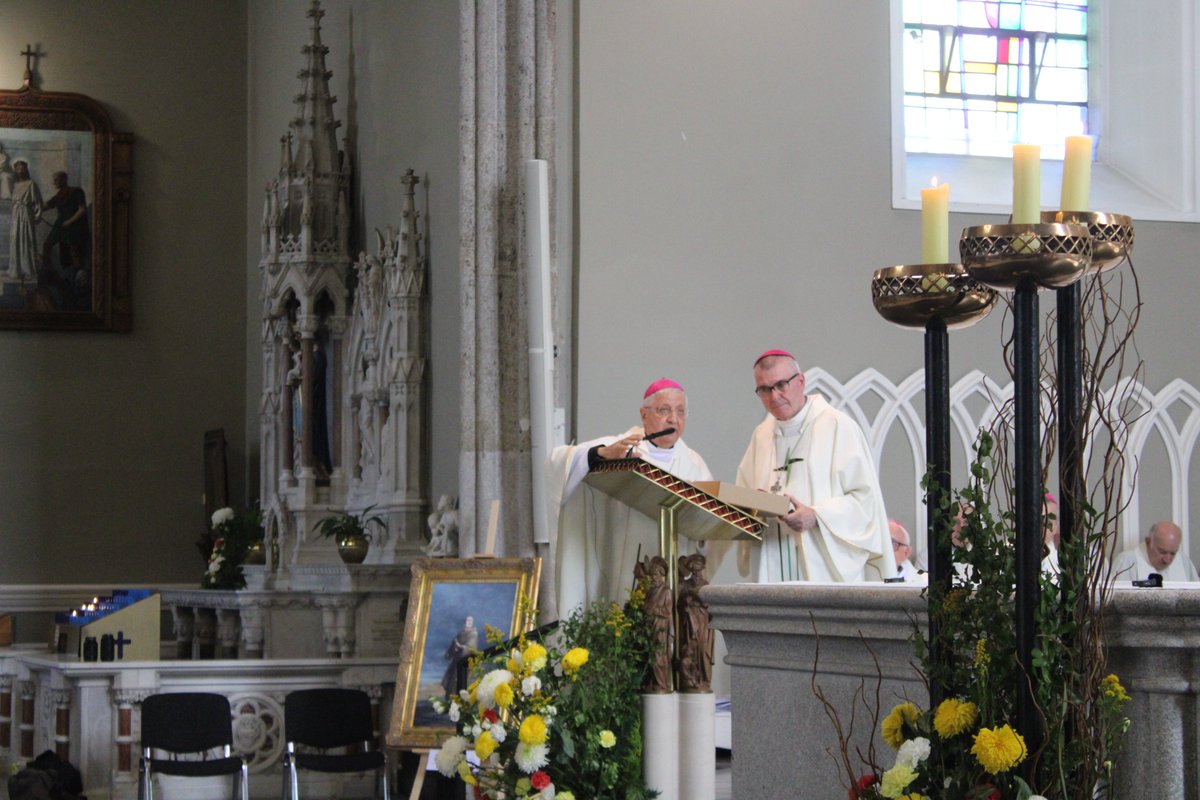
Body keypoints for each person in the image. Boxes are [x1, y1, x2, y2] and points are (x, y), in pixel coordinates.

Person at [546, 378, 714, 616]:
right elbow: (558, 461)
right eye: (664, 410)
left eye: (680, 412)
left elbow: (707, 529)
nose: (673, 419)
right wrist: (602, 454)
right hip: (621, 565)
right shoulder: (620, 447)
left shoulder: (695, 464)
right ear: (643, 414)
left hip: (673, 577)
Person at [733, 350, 894, 582]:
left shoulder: (839, 426)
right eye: (764, 390)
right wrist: (754, 505)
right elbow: (744, 496)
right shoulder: (761, 436)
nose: (774, 396)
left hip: (824, 572)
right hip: (771, 563)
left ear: (801, 381)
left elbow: (865, 501)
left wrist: (817, 516)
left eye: (781, 385)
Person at [1113, 521, 1199, 582]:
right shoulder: (1127, 561)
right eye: (1162, 552)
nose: (1167, 560)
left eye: (1173, 553)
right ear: (1148, 542)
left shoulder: (1183, 561)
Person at [676, 553, 713, 691]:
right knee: (690, 647)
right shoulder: (685, 585)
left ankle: (703, 679)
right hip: (690, 620)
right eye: (694, 570)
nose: (697, 573)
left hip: (703, 619)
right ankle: (691, 679)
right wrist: (688, 596)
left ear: (702, 569)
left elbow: (711, 605)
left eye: (699, 570)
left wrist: (703, 601)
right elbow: (679, 604)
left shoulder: (706, 585)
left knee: (703, 649)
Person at [6, 160, 42, 282]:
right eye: (18, 168)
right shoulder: (15, 185)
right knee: (15, 239)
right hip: (16, 214)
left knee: (26, 240)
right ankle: (15, 270)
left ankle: (28, 270)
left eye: (22, 168)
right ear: (15, 170)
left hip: (26, 213)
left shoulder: (31, 184)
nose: (20, 171)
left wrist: (37, 216)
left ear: (26, 170)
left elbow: (37, 202)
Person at [440, 615, 478, 699]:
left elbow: (471, 646)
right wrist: (452, 650)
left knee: (461, 679)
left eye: (470, 621)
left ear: (472, 623)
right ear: (465, 622)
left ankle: (460, 699)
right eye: (467, 621)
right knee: (452, 678)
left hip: (466, 661)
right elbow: (454, 643)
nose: (468, 623)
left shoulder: (473, 634)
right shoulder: (461, 633)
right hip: (457, 659)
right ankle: (450, 698)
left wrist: (461, 647)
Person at [890, 519, 926, 585]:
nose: (886, 550)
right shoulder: (867, 575)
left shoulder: (922, 582)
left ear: (907, 552)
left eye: (892, 544)